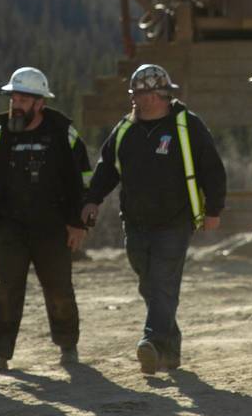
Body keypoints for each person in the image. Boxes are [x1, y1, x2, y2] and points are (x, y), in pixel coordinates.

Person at [82, 63, 226, 375]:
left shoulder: (187, 126)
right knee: (149, 283)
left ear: (161, 94)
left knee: (162, 282)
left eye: (144, 93)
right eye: (134, 92)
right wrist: (92, 199)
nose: (137, 99)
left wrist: (214, 209)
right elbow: (107, 167)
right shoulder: (125, 130)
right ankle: (170, 350)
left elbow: (212, 169)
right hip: (135, 222)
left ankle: (151, 342)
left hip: (175, 222)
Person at [0, 67, 92, 372]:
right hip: (12, 226)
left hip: (54, 227)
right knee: (7, 289)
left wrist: (79, 224)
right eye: (14, 97)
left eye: (24, 98)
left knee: (59, 289)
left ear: (41, 103)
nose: (17, 104)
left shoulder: (64, 135)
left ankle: (67, 346)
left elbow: (83, 181)